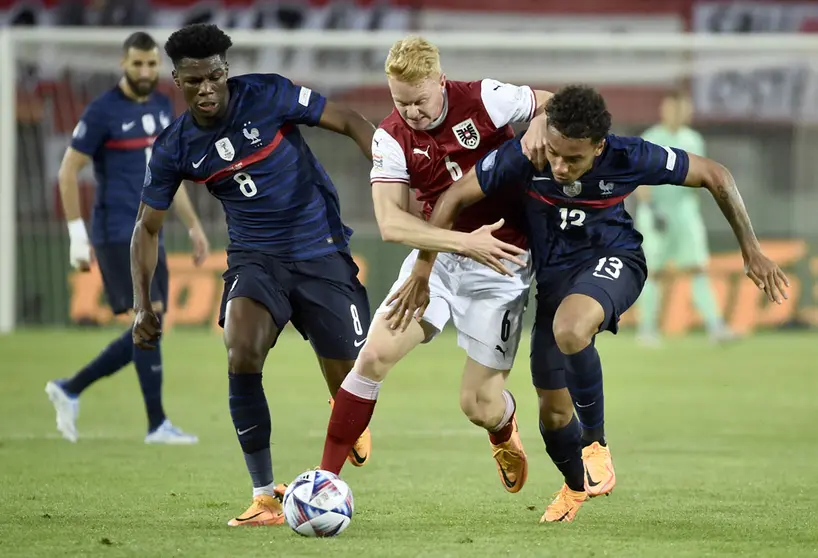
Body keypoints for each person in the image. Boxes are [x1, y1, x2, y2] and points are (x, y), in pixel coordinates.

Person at [389, 84, 789, 523]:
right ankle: (576, 486)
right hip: (556, 283)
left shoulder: (629, 155)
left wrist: (750, 250)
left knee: (571, 328)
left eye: (573, 159)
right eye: (555, 154)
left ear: (599, 146)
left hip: (615, 260)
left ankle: (596, 444)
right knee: (553, 412)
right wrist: (423, 271)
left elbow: (717, 174)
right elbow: (452, 198)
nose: (559, 166)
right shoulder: (525, 156)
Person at [131, 23, 376, 527]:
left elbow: (351, 120)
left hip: (321, 249)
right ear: (176, 79)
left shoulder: (268, 92)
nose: (206, 89)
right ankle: (264, 495)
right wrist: (142, 305)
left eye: (215, 77)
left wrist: (390, 177)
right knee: (241, 350)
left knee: (351, 375)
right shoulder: (174, 147)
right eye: (193, 80)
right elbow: (146, 229)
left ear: (227, 71)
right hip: (254, 258)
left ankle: (346, 403)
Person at [318, 36, 552, 495]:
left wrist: (541, 125)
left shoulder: (485, 98)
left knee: (478, 404)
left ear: (439, 83)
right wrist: (453, 248)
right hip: (440, 259)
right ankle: (324, 481)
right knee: (372, 356)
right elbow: (391, 222)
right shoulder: (390, 136)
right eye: (400, 102)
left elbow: (553, 103)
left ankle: (503, 429)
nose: (412, 112)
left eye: (420, 101)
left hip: (503, 265)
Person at [46, 31, 206, 445]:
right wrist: (76, 236)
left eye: (151, 64)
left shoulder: (160, 105)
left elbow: (172, 173)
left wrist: (192, 225)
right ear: (123, 64)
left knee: (150, 323)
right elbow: (67, 172)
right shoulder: (102, 111)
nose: (145, 71)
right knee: (148, 317)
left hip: (149, 229)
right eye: (137, 64)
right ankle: (156, 426)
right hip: (117, 229)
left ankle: (70, 388)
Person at [635, 90, 737, 344]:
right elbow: (638, 180)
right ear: (664, 110)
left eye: (683, 108)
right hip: (656, 214)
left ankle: (715, 327)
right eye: (675, 108)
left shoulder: (693, 139)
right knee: (654, 272)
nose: (680, 113)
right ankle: (646, 330)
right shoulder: (651, 138)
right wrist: (652, 207)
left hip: (685, 213)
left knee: (697, 269)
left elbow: (701, 177)